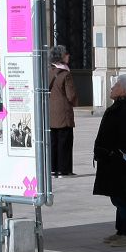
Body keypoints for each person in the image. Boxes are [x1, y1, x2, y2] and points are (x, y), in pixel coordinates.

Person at [93, 74, 126, 247]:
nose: (112, 88)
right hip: (110, 158)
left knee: (121, 196)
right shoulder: (118, 106)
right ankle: (121, 230)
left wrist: (116, 153)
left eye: (116, 85)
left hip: (118, 160)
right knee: (116, 195)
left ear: (124, 90)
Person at [48, 45, 78, 177]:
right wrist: (75, 102)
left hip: (50, 113)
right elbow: (71, 95)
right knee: (64, 142)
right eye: (66, 53)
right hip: (63, 113)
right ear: (61, 56)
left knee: (53, 142)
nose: (69, 55)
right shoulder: (66, 74)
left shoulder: (49, 72)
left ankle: (53, 169)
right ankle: (64, 170)